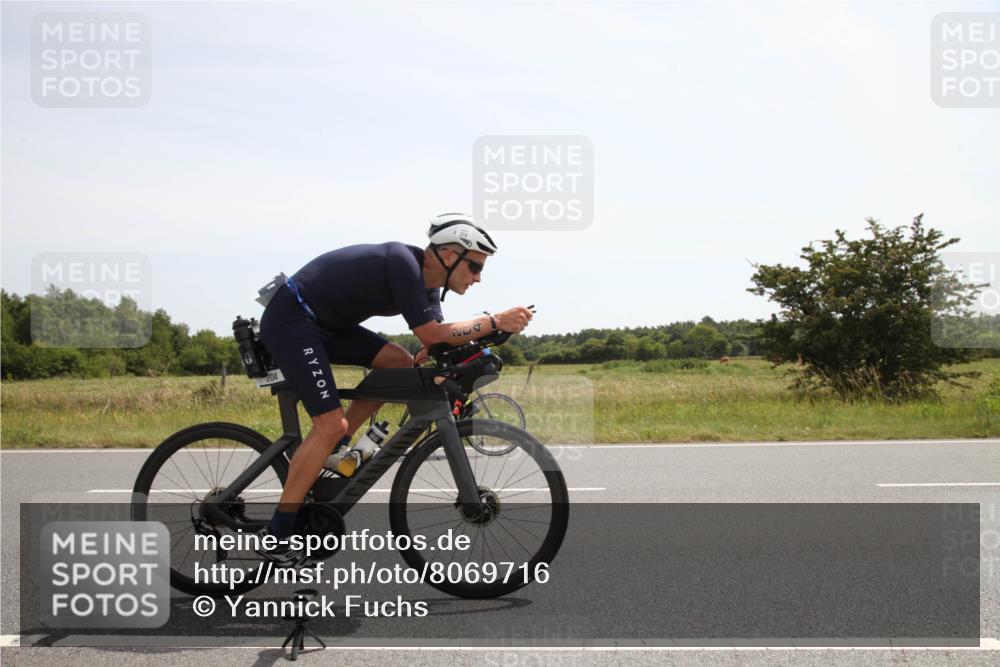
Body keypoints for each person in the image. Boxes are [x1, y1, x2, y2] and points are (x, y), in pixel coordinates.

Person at [255, 213, 533, 565]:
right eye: (475, 266)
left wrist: (486, 341)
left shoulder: (429, 287)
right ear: (449, 256)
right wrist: (493, 320)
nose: (478, 277)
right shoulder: (403, 262)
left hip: (327, 325)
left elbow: (433, 342)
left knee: (399, 362)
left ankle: (336, 449)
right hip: (293, 320)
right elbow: (433, 333)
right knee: (329, 424)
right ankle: (277, 534)